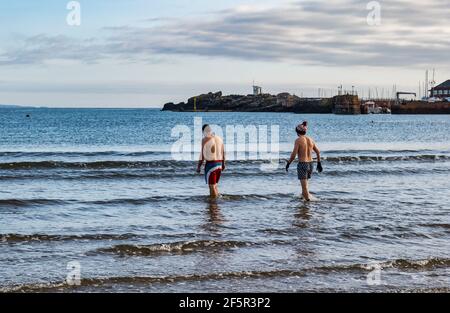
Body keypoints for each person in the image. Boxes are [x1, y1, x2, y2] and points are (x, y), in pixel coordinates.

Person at [286, 121, 322, 201]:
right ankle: (304, 199)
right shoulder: (310, 139)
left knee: (304, 187)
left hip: (302, 164)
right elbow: (318, 152)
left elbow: (294, 154)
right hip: (310, 164)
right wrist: (319, 163)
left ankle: (307, 204)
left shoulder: (298, 140)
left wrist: (288, 163)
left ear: (297, 132)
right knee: (305, 185)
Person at [197, 124, 226, 198]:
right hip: (219, 164)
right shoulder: (219, 138)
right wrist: (223, 164)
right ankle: (216, 203)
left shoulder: (205, 139)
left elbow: (202, 155)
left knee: (211, 186)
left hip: (211, 165)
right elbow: (223, 152)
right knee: (215, 185)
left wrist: (198, 167)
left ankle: (213, 204)